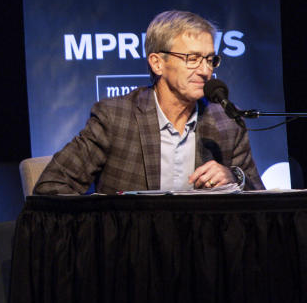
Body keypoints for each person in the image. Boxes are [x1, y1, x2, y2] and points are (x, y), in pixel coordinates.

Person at [34, 10, 264, 194]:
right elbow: (52, 187)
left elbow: (261, 199)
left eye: (210, 59)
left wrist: (235, 178)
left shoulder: (227, 121)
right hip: (130, 247)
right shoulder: (115, 117)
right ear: (157, 63)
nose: (205, 71)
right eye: (192, 59)